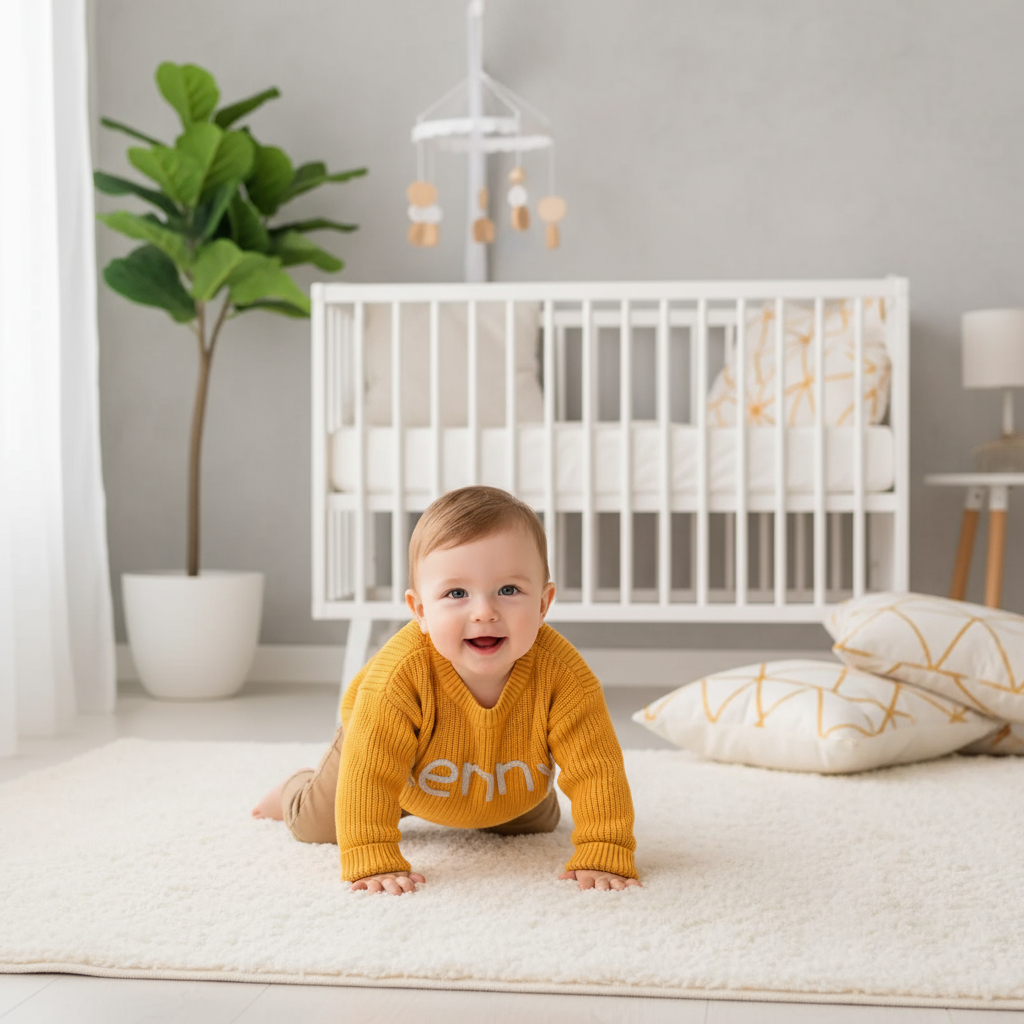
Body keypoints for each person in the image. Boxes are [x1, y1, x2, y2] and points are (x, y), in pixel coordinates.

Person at [253, 485, 640, 896]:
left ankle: (514, 806)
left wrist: (605, 847)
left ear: (544, 603)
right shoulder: (397, 678)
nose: (484, 612)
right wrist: (373, 856)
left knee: (534, 821)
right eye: (457, 593)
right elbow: (371, 773)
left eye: (509, 590)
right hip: (397, 773)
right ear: (420, 611)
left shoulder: (566, 678)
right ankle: (297, 787)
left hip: (504, 780)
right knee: (320, 824)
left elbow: (596, 768)